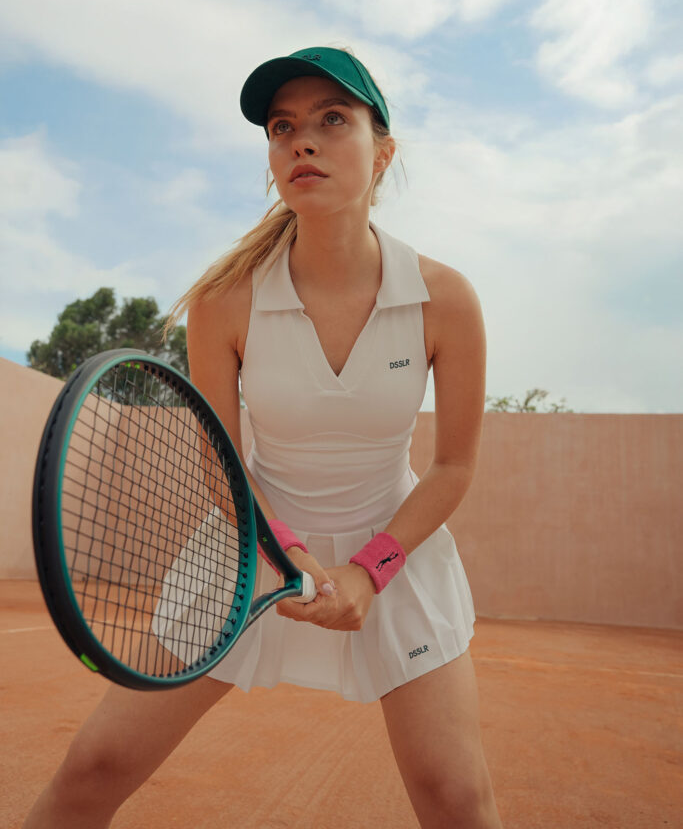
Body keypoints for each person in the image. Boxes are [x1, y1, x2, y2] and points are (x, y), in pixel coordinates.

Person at [23, 46, 503, 829]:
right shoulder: (224, 299)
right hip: (248, 543)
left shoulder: (445, 299)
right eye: (282, 129)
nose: (300, 142)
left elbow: (451, 467)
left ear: (382, 153)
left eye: (330, 120)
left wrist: (367, 571)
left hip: (395, 552)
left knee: (457, 801)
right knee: (93, 769)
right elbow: (224, 461)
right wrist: (281, 552)